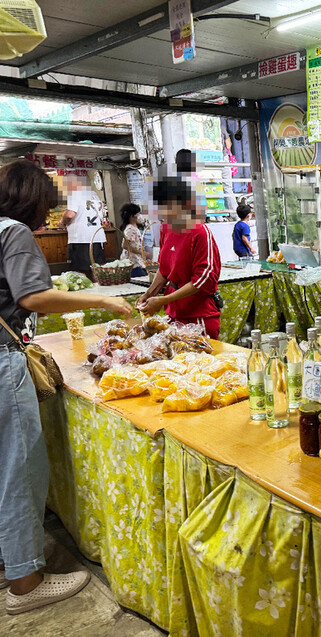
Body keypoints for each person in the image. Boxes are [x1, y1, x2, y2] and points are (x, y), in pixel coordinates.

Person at [0, 160, 132, 614]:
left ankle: (8, 561)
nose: (49, 217)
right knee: (18, 471)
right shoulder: (13, 232)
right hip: (1, 360)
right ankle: (26, 580)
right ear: (33, 200)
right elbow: (32, 297)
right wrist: (100, 298)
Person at [136, 176, 222, 339]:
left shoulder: (200, 233)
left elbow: (202, 280)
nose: (161, 211)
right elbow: (164, 268)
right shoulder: (166, 228)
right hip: (174, 315)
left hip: (199, 317)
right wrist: (150, 294)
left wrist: (163, 300)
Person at [57, 173, 106, 275]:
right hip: (97, 238)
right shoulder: (94, 195)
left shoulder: (75, 194)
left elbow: (70, 214)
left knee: (81, 273)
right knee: (97, 270)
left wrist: (62, 222)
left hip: (81, 239)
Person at [119, 203, 147, 278]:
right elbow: (125, 245)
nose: (140, 216)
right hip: (132, 263)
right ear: (132, 216)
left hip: (137, 261)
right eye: (138, 213)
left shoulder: (135, 228)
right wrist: (142, 252)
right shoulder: (130, 229)